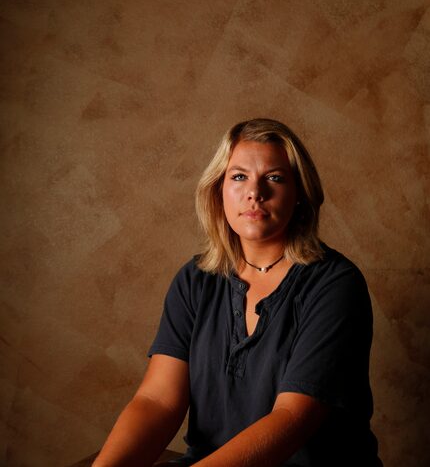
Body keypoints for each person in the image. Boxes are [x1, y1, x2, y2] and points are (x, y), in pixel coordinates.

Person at [93, 118, 383, 467]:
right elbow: (158, 401)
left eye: (274, 178)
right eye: (239, 176)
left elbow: (292, 418)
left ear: (300, 195)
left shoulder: (335, 284)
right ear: (218, 190)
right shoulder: (195, 280)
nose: (255, 192)